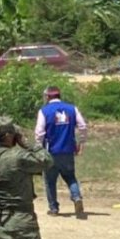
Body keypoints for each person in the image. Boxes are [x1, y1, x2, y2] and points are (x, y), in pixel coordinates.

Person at [35, 86, 88, 218]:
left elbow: (39, 133)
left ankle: (53, 208)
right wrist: (81, 142)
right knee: (70, 177)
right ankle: (76, 197)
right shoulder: (72, 108)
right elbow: (82, 126)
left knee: (50, 181)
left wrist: (38, 148)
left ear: (48, 96)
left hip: (51, 151)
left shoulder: (44, 111)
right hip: (68, 150)